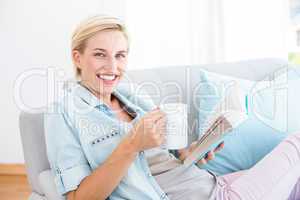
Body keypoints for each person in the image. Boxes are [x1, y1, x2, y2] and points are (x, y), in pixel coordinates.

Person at [44, 15, 300, 200]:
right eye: (100, 54)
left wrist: (193, 153)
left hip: (212, 183)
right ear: (77, 57)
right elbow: (79, 198)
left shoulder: (131, 96)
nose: (112, 67)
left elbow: (161, 162)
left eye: (120, 55)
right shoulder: (64, 113)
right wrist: (132, 144)